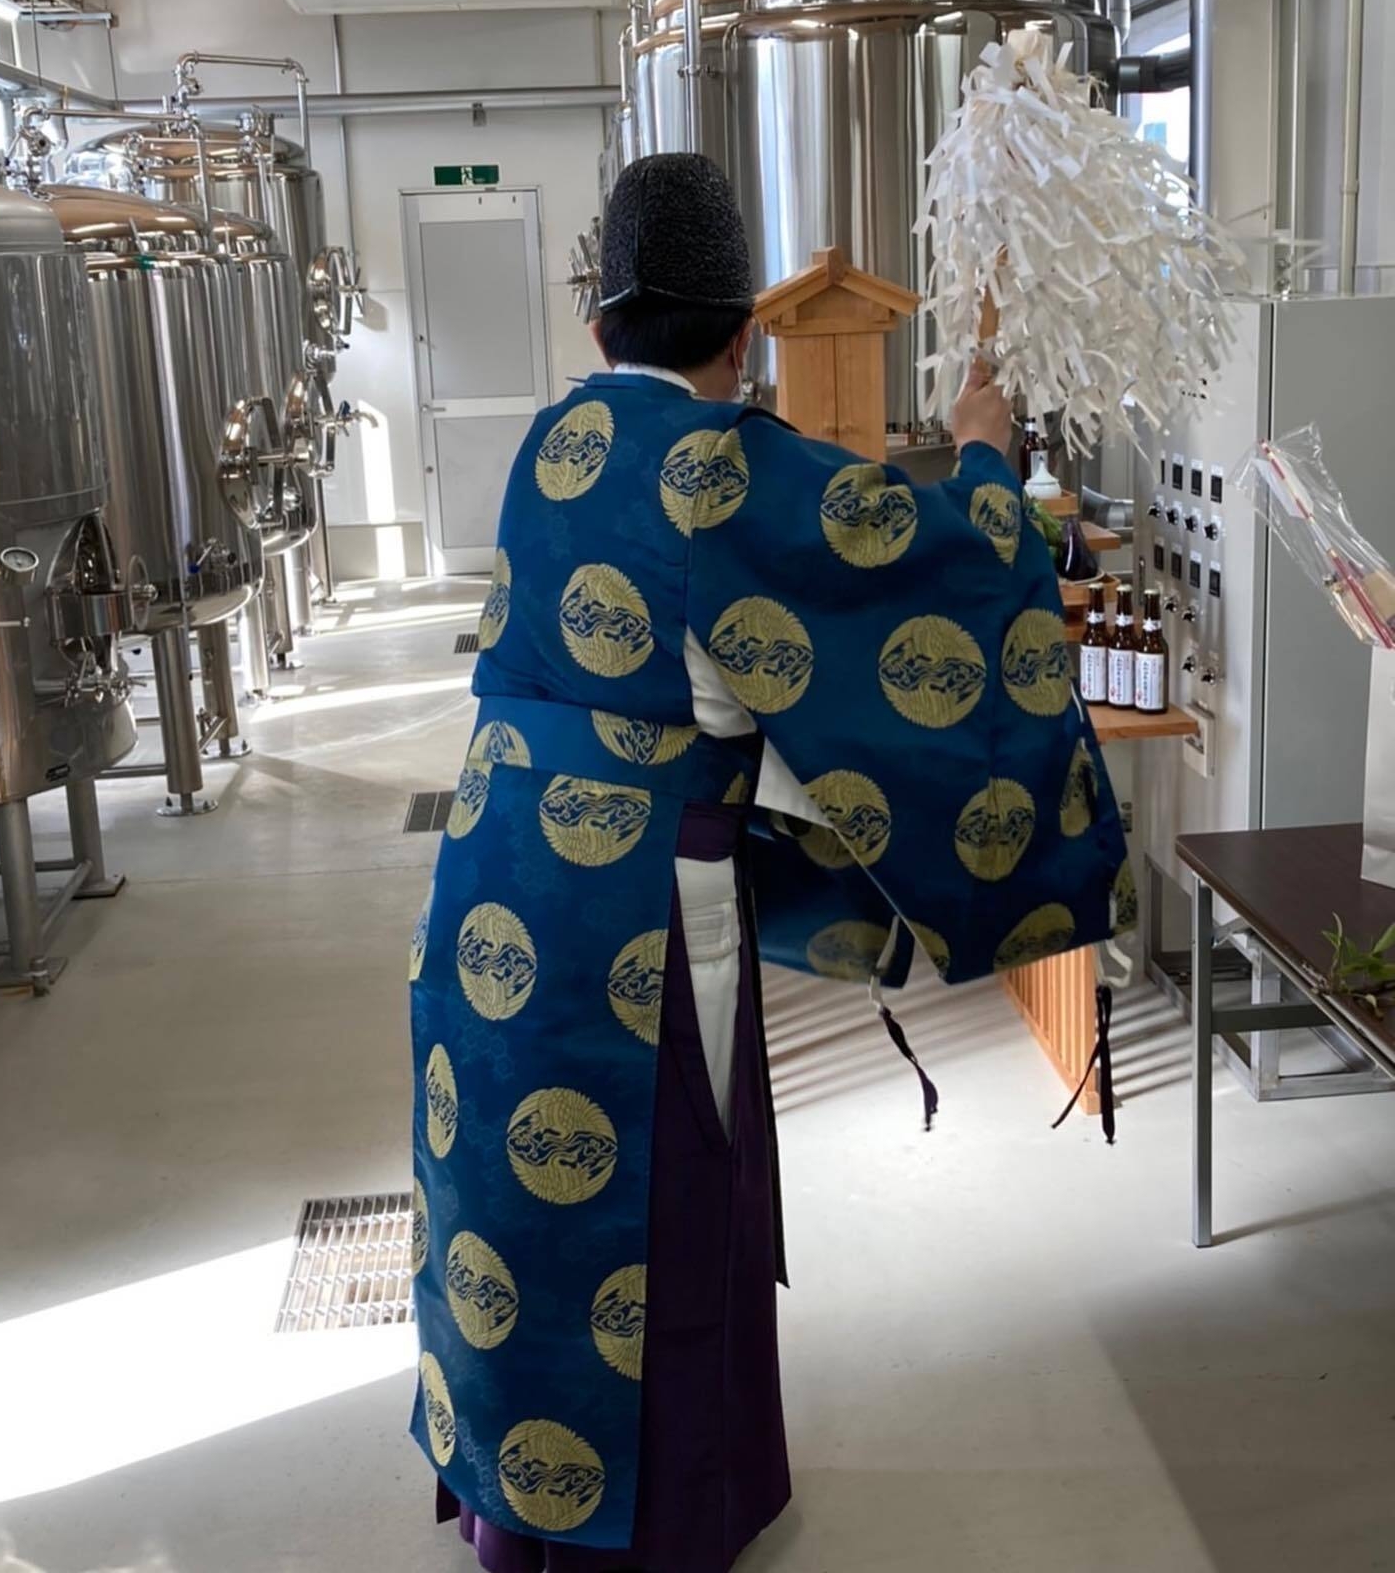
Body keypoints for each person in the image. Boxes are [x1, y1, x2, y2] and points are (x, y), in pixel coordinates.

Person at [408, 154, 1131, 1573]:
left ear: (596, 324)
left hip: (490, 883)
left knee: (501, 1189)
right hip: (635, 913)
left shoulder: (550, 446)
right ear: (744, 335)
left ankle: (514, 1505)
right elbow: (938, 571)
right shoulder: (717, 465)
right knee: (651, 1190)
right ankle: (652, 1518)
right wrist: (985, 452)